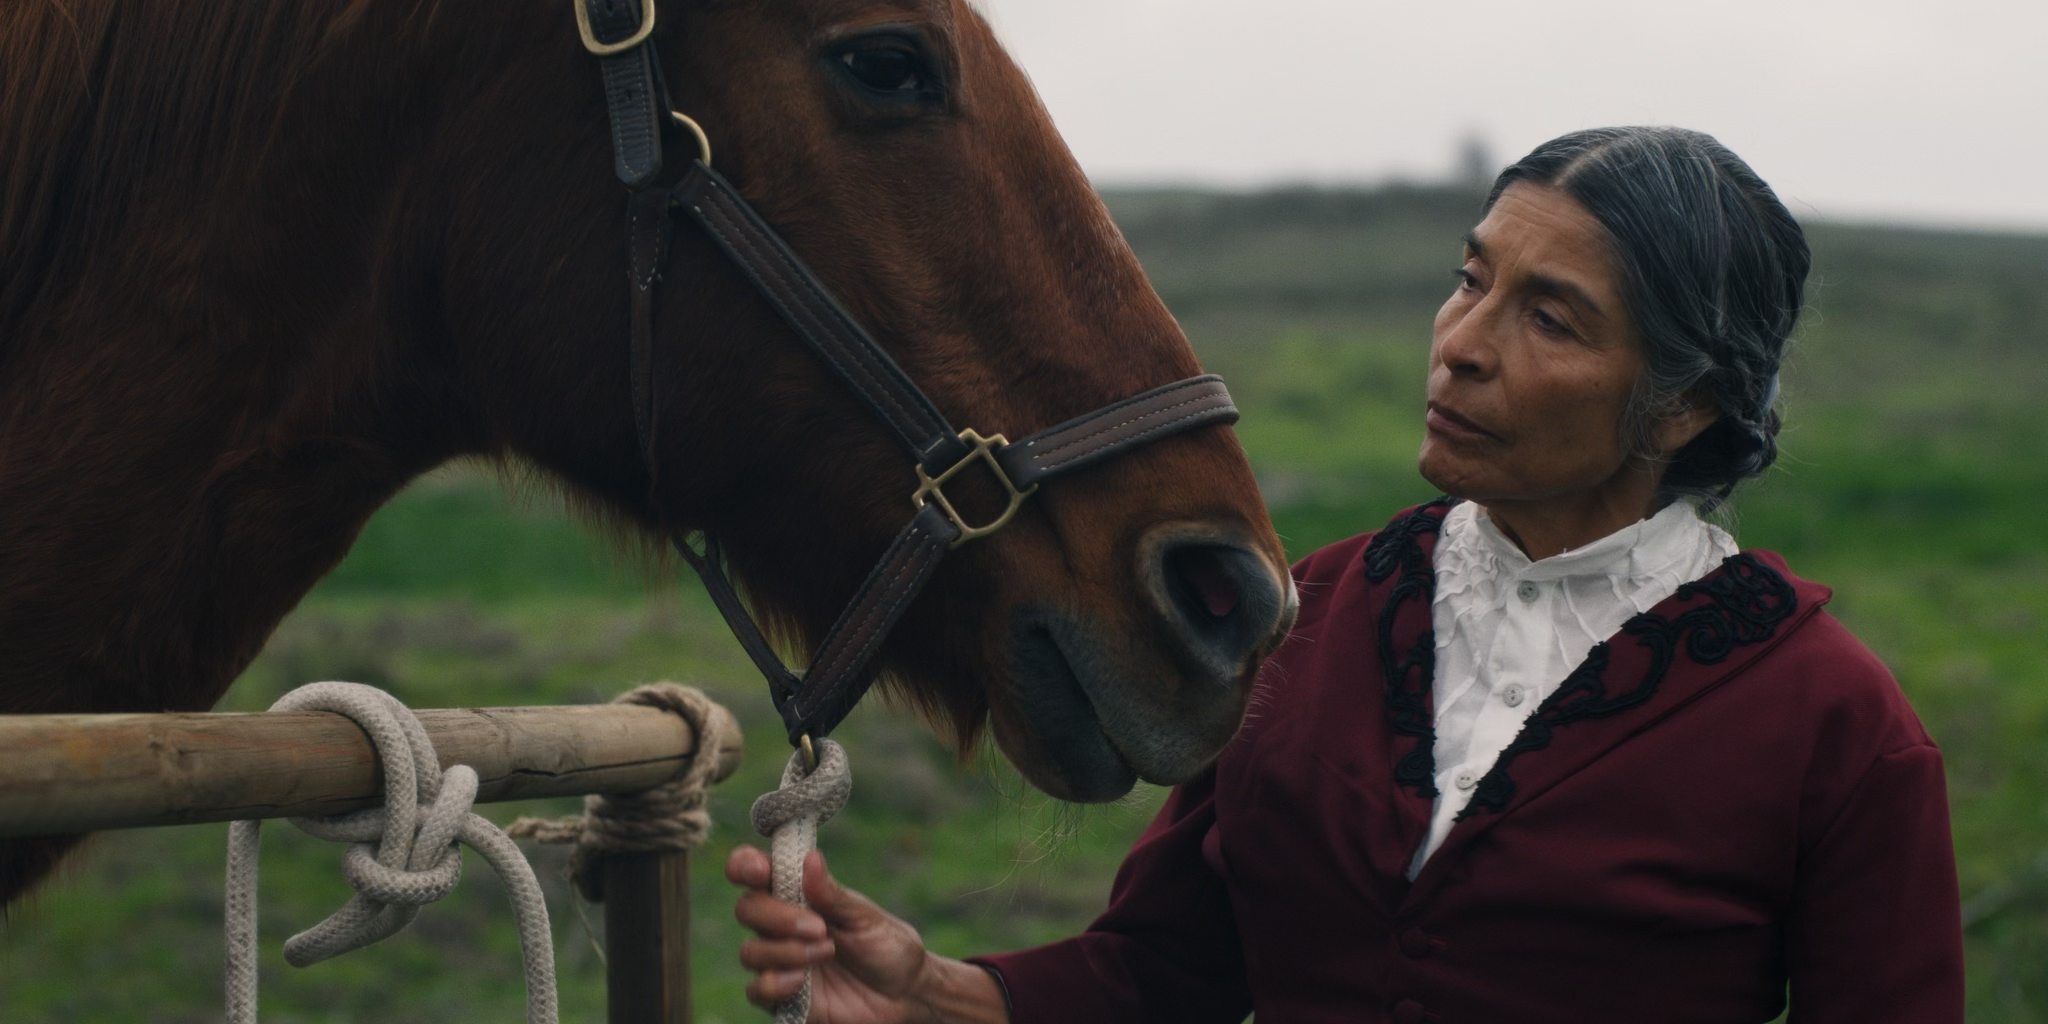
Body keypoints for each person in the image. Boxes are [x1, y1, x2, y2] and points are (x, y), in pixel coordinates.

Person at [724, 126, 1966, 1024]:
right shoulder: (1313, 612)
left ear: (1688, 403)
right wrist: (943, 994)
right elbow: (1164, 967)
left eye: (1549, 318)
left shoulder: (1831, 725)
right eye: (1469, 279)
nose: (1461, 345)